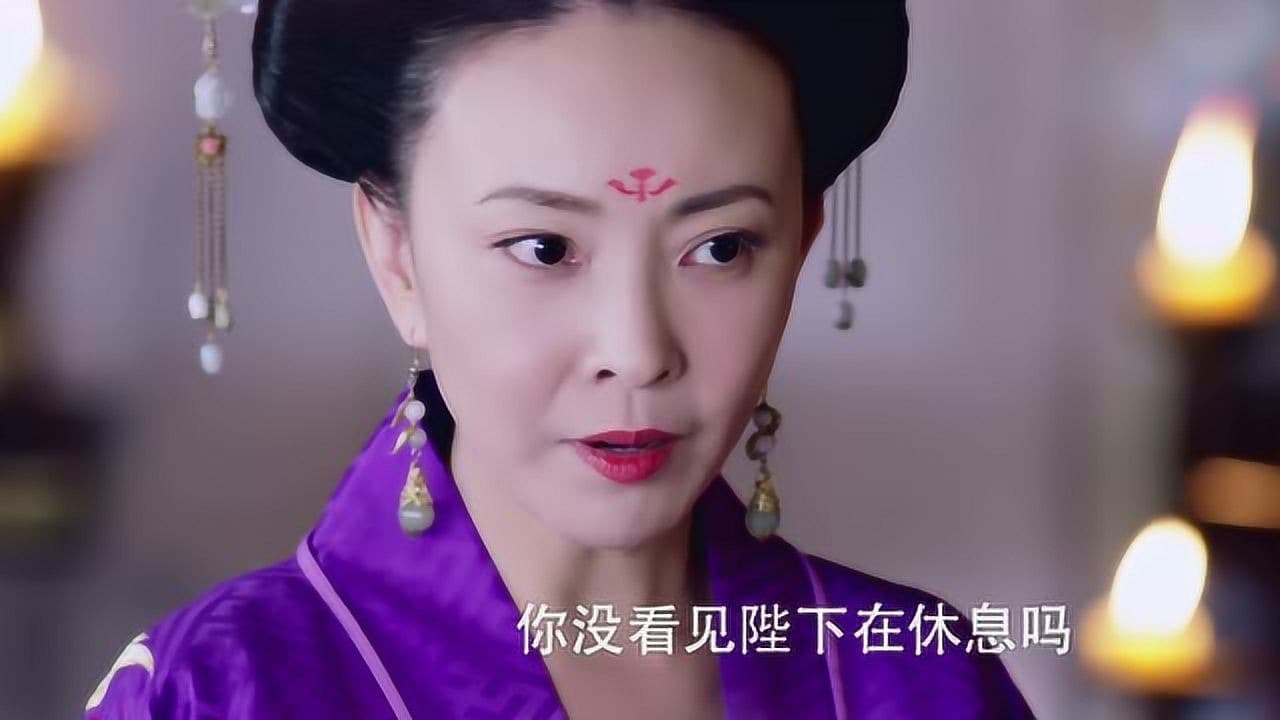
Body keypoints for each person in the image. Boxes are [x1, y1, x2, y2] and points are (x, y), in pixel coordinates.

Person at [86, 1, 1037, 717]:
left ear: (800, 242)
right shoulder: (221, 690)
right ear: (397, 255)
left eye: (720, 247)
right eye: (544, 248)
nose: (638, 352)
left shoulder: (922, 679)